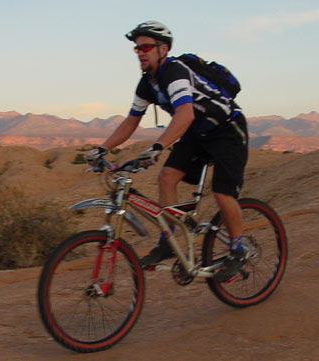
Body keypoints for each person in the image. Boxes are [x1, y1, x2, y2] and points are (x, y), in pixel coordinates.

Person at [86, 21, 249, 282]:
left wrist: (157, 147)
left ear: (163, 48)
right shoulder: (147, 83)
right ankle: (168, 242)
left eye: (146, 47)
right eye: (137, 48)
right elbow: (131, 121)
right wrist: (102, 148)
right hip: (197, 133)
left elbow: (185, 114)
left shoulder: (174, 72)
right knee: (166, 177)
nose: (141, 52)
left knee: (222, 192)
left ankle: (238, 249)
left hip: (227, 129)